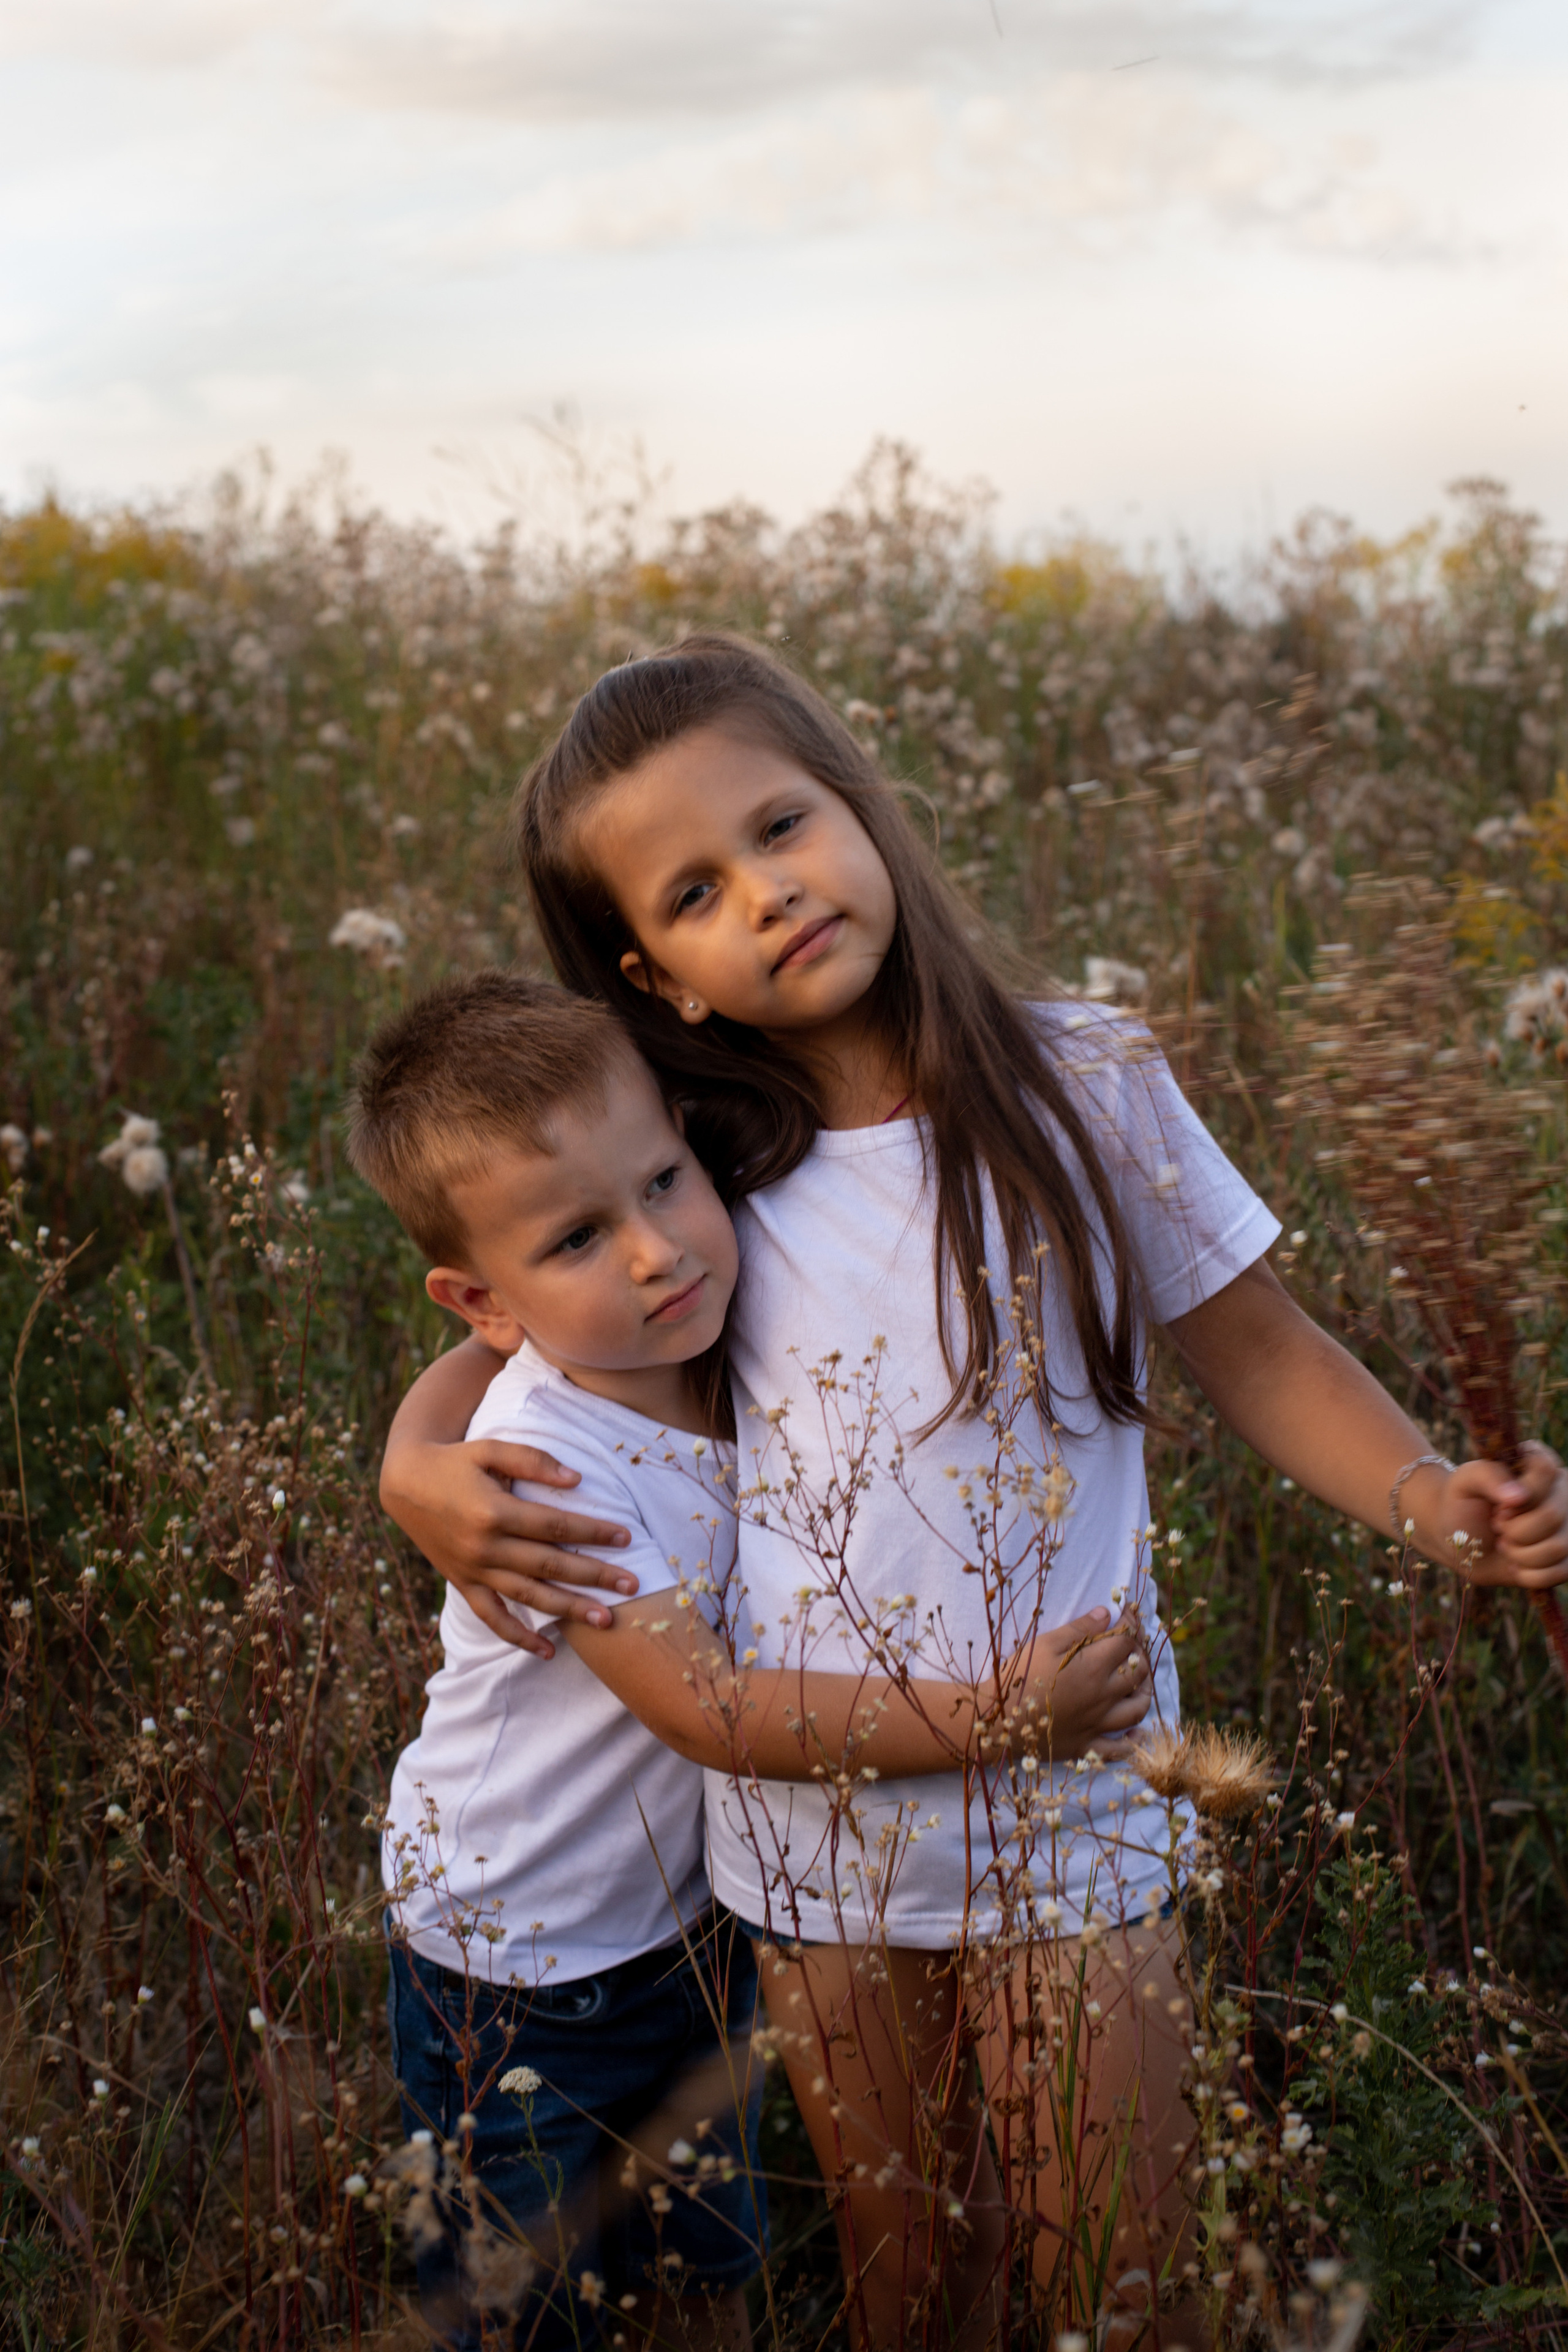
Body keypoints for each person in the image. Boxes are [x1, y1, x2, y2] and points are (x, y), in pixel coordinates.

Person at [377, 637, 1568, 2351]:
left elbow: (1256, 1348)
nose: (767, 892)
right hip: (812, 1841)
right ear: (658, 978)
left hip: (1071, 1795)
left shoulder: (1084, 1083)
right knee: (917, 2280)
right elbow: (525, 1344)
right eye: (697, 892)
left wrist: (1436, 1500)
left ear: (861, 802)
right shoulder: (701, 1158)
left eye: (781, 825)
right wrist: (415, 1465)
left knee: (1124, 2281)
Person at [349, 965, 1151, 2352]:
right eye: (579, 1238)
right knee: (522, 2300)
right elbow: (710, 1711)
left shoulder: (721, 1340)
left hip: (695, 1930)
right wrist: (996, 1717)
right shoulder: (546, 1469)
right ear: (483, 1298)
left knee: (701, 2260)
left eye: (665, 1182)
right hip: (519, 1966)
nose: (656, 1251)